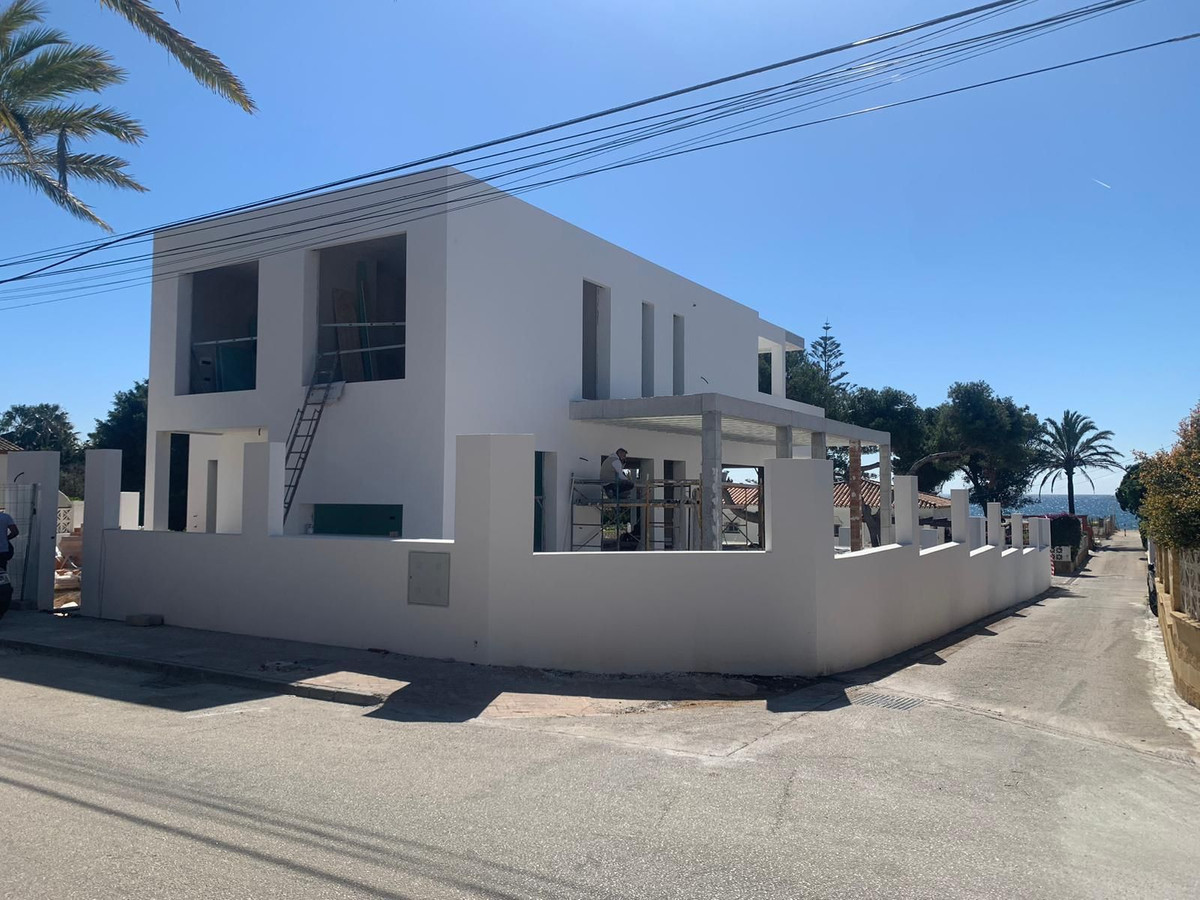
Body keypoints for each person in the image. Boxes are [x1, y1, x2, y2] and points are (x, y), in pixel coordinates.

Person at [0, 506, 18, 572]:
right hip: (2, 550)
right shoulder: (6, 517)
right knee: (2, 573)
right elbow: (15, 532)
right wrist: (5, 538)